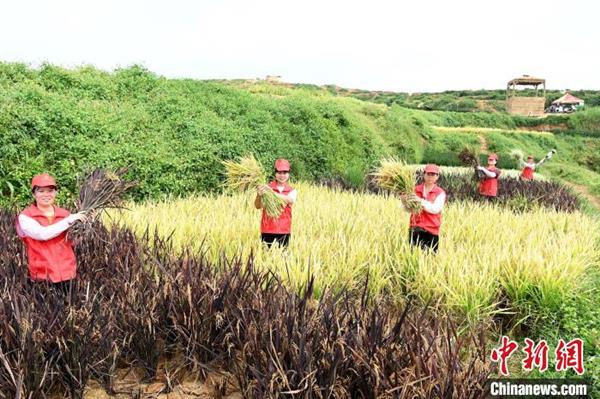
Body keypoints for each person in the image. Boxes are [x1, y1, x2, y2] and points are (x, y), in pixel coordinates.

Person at [15, 173, 87, 290]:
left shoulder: (65, 214)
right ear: (34, 194)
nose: (46, 195)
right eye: (41, 191)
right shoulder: (26, 217)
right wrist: (69, 221)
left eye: (50, 191)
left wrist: (85, 225)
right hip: (43, 275)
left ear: (55, 193)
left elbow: (73, 241)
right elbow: (42, 234)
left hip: (67, 272)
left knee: (70, 306)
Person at [254, 159, 297, 248]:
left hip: (284, 230)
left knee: (283, 258)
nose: (282, 175)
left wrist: (271, 192)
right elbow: (258, 206)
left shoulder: (291, 190)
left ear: (288, 174)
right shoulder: (266, 188)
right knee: (266, 257)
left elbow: (290, 200)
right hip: (267, 229)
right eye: (279, 172)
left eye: (285, 172)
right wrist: (259, 195)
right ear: (275, 173)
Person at [404, 164, 446, 253]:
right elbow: (409, 210)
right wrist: (404, 201)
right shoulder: (414, 190)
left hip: (431, 231)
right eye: (428, 174)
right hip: (415, 229)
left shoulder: (440, 193)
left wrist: (420, 201)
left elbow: (435, 209)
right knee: (412, 257)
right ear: (424, 174)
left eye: (433, 174)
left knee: (430, 260)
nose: (430, 177)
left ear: (437, 177)